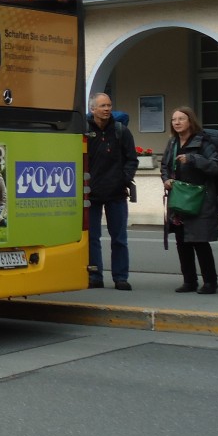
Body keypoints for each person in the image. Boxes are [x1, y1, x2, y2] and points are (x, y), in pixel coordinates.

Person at [160, 105, 218, 294]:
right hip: (179, 200)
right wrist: (166, 179)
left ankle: (210, 282)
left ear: (190, 121)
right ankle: (189, 281)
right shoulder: (172, 143)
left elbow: (216, 166)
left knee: (200, 242)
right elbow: (164, 166)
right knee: (182, 242)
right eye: (174, 119)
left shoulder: (203, 142)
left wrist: (193, 159)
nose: (177, 122)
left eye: (181, 119)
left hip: (200, 199)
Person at [86, 92, 139, 289]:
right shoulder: (84, 131)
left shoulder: (120, 131)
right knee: (92, 238)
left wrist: (123, 179)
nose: (107, 109)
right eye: (103, 106)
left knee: (119, 238)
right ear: (93, 109)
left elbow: (132, 159)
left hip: (116, 193)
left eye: (109, 105)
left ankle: (121, 277)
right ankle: (95, 276)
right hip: (90, 194)